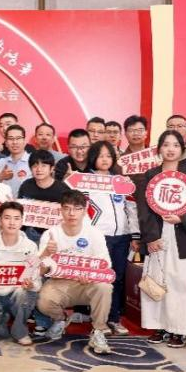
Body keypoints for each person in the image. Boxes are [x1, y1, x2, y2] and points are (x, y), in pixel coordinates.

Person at [136, 130, 186, 348]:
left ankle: (179, 329)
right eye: (166, 145)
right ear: (159, 149)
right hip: (158, 235)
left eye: (175, 145)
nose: (170, 149)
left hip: (185, 235)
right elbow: (143, 209)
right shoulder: (150, 175)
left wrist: (182, 218)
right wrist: (151, 237)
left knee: (182, 283)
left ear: (182, 149)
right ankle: (158, 326)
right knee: (156, 280)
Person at [35, 189, 113, 354]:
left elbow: (105, 265)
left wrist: (90, 274)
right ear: (61, 210)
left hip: (87, 282)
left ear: (84, 211)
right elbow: (40, 271)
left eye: (77, 209)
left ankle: (98, 331)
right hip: (59, 282)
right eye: (67, 208)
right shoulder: (51, 234)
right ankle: (60, 319)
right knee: (43, 300)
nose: (72, 213)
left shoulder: (94, 233)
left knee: (104, 287)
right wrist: (47, 253)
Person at [83, 141, 139, 336]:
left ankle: (114, 318)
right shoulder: (85, 181)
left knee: (118, 278)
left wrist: (134, 234)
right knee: (99, 279)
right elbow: (80, 210)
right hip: (99, 237)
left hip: (122, 236)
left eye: (108, 155)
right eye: (101, 156)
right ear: (93, 158)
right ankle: (99, 319)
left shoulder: (120, 181)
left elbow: (131, 208)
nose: (105, 159)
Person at [0, 201, 40, 346]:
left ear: (22, 221)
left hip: (18, 292)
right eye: (7, 218)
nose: (12, 222)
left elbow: (35, 277)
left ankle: (20, 331)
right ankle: (2, 324)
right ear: (0, 221)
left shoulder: (30, 246)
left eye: (16, 218)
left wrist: (31, 284)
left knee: (27, 294)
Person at [18, 149, 66, 242]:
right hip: (30, 234)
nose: (39, 169)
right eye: (35, 166)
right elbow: (20, 210)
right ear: (30, 168)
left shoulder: (62, 189)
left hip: (56, 234)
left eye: (44, 166)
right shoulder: (26, 185)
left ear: (52, 168)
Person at [0, 124, 31, 195]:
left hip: (26, 201)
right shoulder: (2, 162)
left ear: (24, 141)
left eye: (18, 138)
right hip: (5, 201)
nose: (14, 142)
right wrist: (0, 177)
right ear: (6, 143)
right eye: (11, 139)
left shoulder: (32, 161)